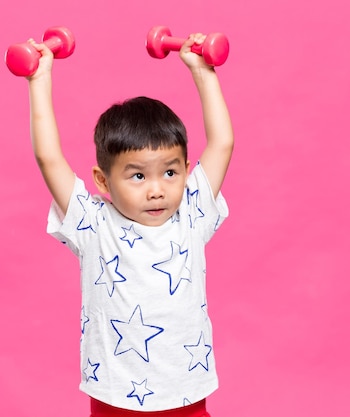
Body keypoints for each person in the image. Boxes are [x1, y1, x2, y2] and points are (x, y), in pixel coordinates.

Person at [25, 33, 234, 417]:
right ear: (103, 181)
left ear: (186, 172)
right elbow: (48, 158)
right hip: (116, 399)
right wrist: (40, 81)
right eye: (138, 177)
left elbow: (222, 143)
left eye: (170, 172)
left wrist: (203, 71)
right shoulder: (93, 224)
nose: (157, 191)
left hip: (187, 395)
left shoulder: (192, 210)